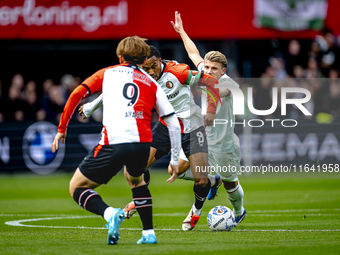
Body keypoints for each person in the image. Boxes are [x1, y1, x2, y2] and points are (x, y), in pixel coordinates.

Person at [52, 36, 181, 245]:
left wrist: (62, 128)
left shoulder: (108, 73)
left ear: (120, 57)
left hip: (114, 142)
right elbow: (173, 123)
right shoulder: (151, 82)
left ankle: (109, 213)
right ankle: (148, 233)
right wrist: (174, 160)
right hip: (141, 144)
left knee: (76, 187)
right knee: (137, 180)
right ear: (145, 58)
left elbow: (78, 93)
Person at [80, 45, 222, 231]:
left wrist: (211, 111)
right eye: (145, 68)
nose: (150, 72)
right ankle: (139, 201)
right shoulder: (142, 76)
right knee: (134, 168)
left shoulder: (178, 72)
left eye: (152, 67)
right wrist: (91, 106)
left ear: (159, 61)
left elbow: (211, 82)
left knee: (200, 180)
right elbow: (115, 89)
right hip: (166, 127)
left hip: (193, 126)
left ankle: (196, 209)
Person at [170, 11, 246, 225]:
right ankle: (213, 180)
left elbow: (220, 92)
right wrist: (182, 32)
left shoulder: (228, 85)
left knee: (231, 185)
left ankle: (239, 211)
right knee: (175, 170)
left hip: (224, 144)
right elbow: (194, 54)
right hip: (201, 138)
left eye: (215, 69)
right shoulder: (204, 73)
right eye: (207, 67)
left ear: (223, 71)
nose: (209, 71)